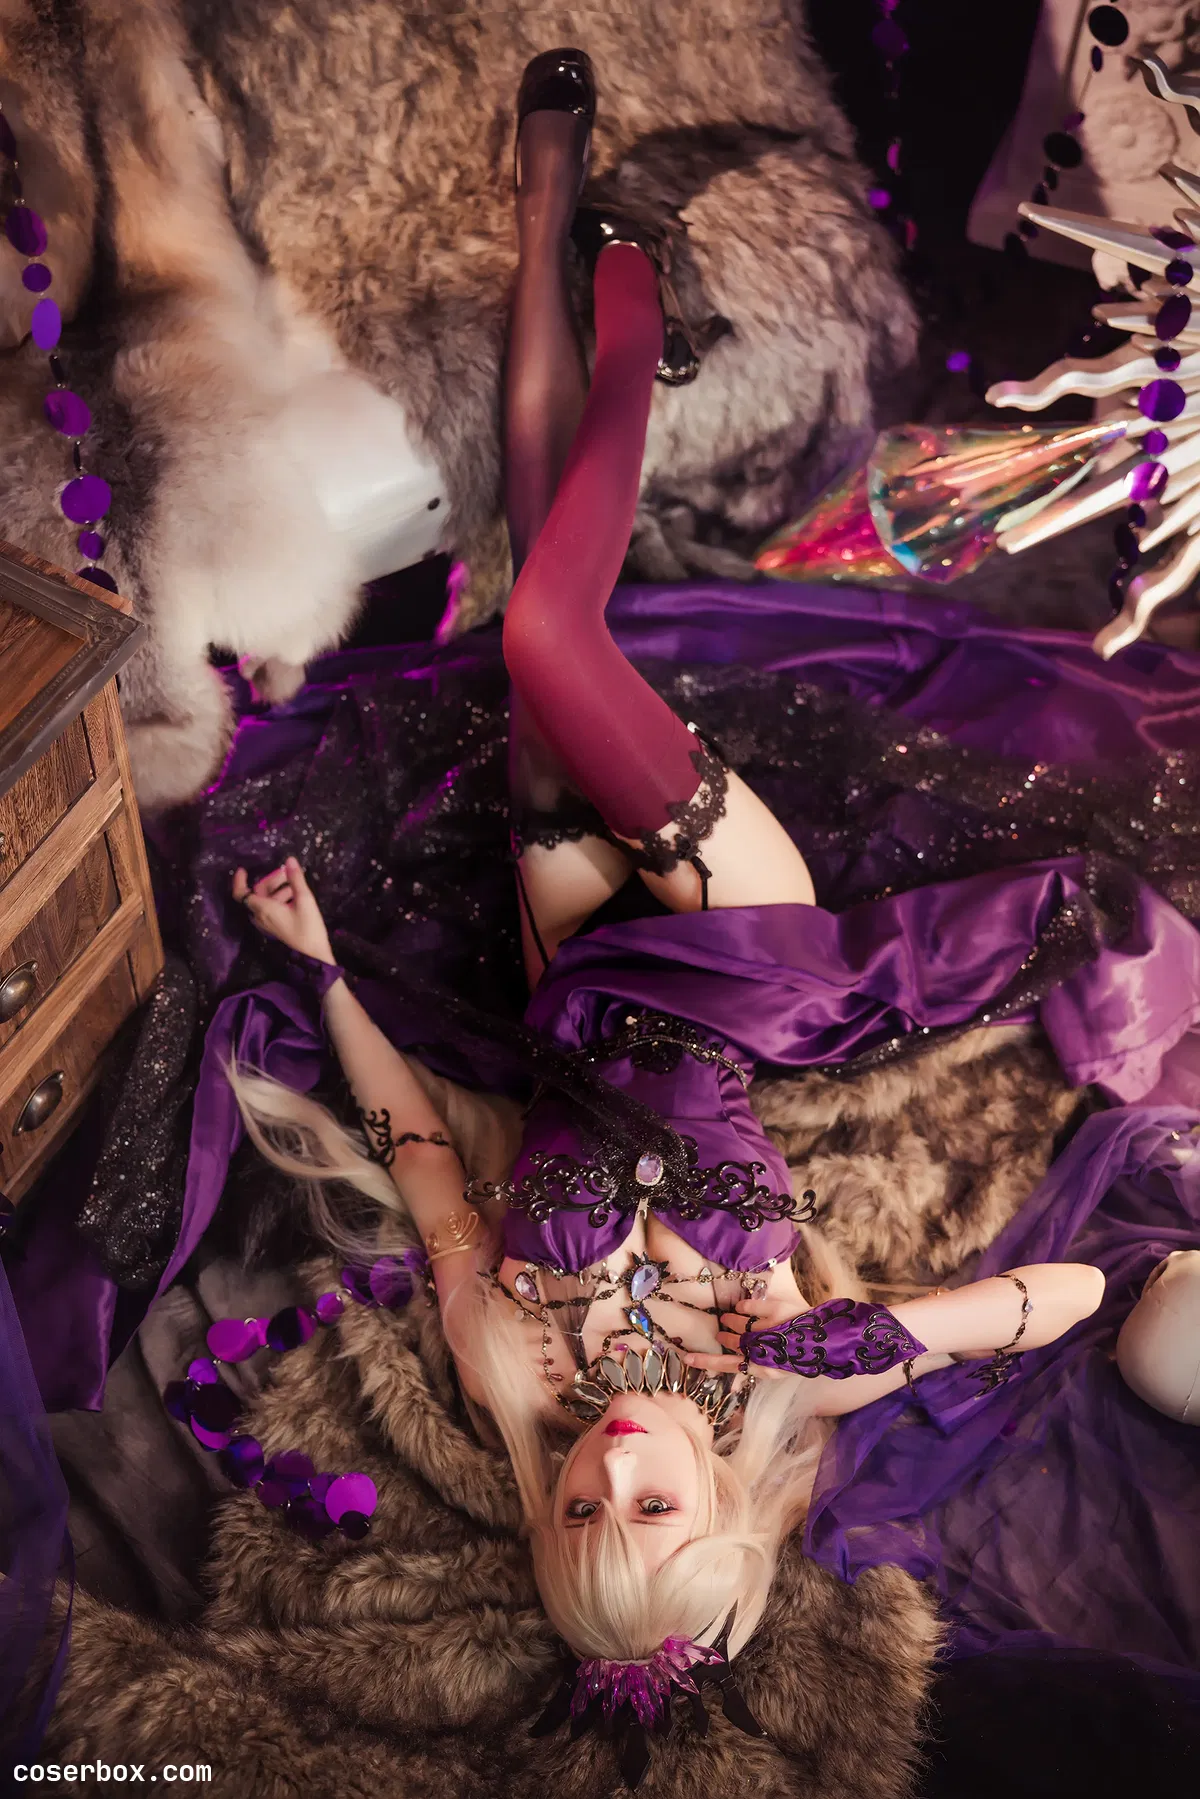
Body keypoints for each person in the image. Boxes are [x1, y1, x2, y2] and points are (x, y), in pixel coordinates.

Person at [224, 48, 1106, 1719]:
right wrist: (909, 1329)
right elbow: (1078, 1291)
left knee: (528, 567)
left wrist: (321, 967)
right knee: (554, 637)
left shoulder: (511, 1360)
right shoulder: (793, 1383)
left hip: (570, 965)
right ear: (720, 1513)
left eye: (585, 1515)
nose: (616, 1472)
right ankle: (618, 269)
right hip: (742, 951)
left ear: (548, 1519)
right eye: (656, 1510)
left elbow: (420, 1150)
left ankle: (565, 220)